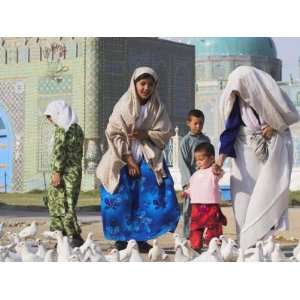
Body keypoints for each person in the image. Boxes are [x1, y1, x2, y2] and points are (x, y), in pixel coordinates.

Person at [214, 66, 300, 250]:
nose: (237, 92)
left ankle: (263, 242)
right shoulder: (235, 102)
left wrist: (274, 126)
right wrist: (220, 159)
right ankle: (245, 241)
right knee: (243, 198)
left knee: (266, 194)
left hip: (269, 156)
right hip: (244, 157)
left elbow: (287, 116)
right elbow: (230, 131)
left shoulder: (269, 96)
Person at [96, 66, 180, 252]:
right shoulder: (124, 105)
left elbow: (165, 132)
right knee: (120, 198)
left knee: (150, 198)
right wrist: (129, 159)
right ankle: (121, 239)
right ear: (134, 84)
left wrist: (146, 134)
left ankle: (142, 237)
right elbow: (113, 131)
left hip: (147, 157)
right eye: (142, 83)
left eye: (150, 84)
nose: (146, 88)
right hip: (121, 157)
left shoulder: (157, 107)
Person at [44, 100, 85, 247]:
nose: (49, 120)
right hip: (75, 173)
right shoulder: (78, 129)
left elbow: (59, 152)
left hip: (63, 174)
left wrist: (56, 172)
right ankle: (70, 237)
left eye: (50, 116)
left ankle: (69, 238)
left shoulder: (61, 130)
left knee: (59, 205)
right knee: (69, 204)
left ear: (58, 113)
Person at [182, 143, 227, 251]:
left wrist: (217, 167)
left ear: (211, 158)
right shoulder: (195, 174)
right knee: (196, 226)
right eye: (197, 159)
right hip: (196, 205)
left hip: (211, 205)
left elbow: (220, 173)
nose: (198, 162)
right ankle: (196, 245)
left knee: (213, 226)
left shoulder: (213, 171)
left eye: (201, 159)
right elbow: (192, 186)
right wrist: (186, 192)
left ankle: (213, 245)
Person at [179, 109, 210, 239]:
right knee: (188, 210)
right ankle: (187, 236)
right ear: (188, 123)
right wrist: (187, 184)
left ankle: (199, 235)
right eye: (195, 123)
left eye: (201, 123)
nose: (198, 126)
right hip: (191, 182)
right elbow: (183, 163)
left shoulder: (206, 139)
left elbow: (210, 158)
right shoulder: (185, 141)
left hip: (204, 181)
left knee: (203, 209)